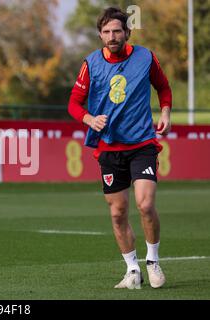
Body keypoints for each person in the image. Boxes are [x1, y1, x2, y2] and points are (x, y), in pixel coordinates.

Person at [68, 7, 171, 289]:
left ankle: (153, 261)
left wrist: (165, 113)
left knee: (146, 204)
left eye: (117, 31)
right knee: (118, 212)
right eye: (106, 32)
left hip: (141, 143)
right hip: (109, 147)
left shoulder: (145, 57)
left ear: (127, 32)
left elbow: (163, 87)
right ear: (100, 35)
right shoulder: (90, 63)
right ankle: (132, 270)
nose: (112, 36)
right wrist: (89, 118)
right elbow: (74, 103)